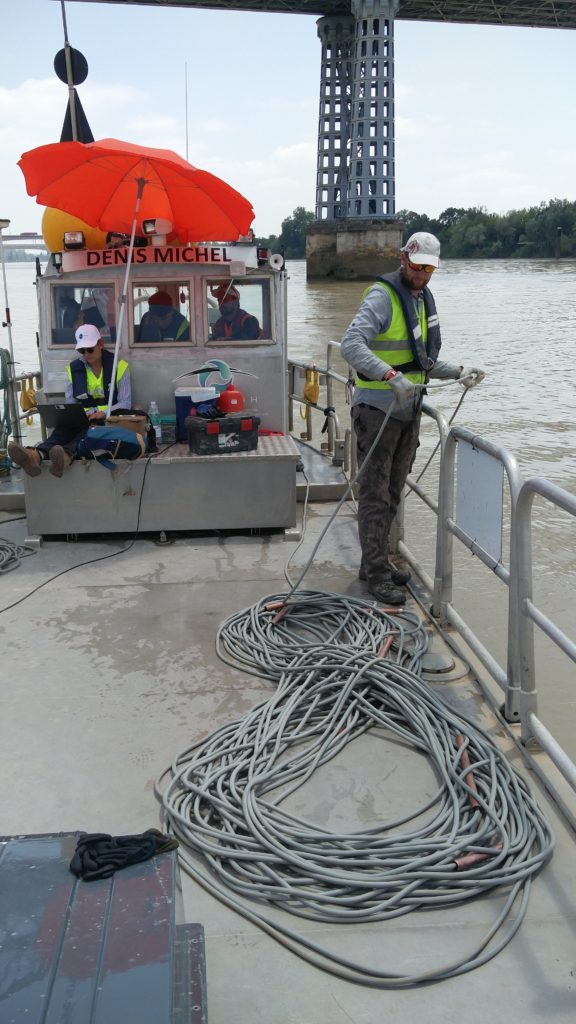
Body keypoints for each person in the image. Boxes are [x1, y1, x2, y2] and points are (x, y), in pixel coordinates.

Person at [340, 231, 485, 606]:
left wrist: (458, 371)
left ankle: (377, 562)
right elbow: (350, 345)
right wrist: (389, 377)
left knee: (392, 491)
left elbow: (419, 360)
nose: (421, 275)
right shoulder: (383, 296)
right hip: (377, 411)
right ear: (404, 259)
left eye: (429, 270)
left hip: (408, 411)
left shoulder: (419, 299)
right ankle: (375, 574)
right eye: (417, 267)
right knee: (374, 492)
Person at [8, 324, 131, 478]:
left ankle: (64, 456)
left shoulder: (119, 367)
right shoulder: (73, 370)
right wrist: (73, 415)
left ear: (100, 344)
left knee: (88, 433)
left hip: (106, 420)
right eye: (82, 350)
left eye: (90, 349)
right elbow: (71, 403)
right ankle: (34, 456)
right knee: (62, 431)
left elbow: (125, 403)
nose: (86, 354)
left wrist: (102, 413)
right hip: (81, 418)